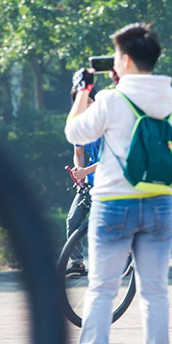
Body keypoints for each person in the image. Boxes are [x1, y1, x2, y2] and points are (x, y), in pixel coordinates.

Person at [65, 22, 172, 344]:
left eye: (117, 56)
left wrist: (82, 93)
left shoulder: (110, 100)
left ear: (127, 60)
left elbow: (74, 132)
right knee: (155, 291)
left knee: (101, 288)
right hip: (159, 203)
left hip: (114, 204)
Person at [65, 86, 100, 276]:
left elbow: (112, 158)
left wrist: (86, 171)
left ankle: (124, 257)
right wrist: (80, 173)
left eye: (89, 101)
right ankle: (77, 263)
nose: (86, 106)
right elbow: (78, 153)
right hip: (90, 181)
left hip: (111, 181)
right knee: (73, 219)